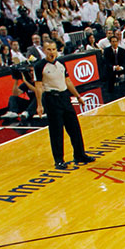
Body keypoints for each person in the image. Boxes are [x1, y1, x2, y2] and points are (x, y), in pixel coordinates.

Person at [34, 40, 94, 169]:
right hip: (51, 99)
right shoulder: (39, 66)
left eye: (54, 49)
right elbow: (38, 86)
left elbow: (68, 81)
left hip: (65, 97)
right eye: (49, 49)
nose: (52, 52)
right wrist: (39, 105)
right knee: (56, 131)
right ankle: (59, 160)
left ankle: (79, 154)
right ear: (44, 51)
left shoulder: (61, 63)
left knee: (74, 128)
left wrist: (78, 96)